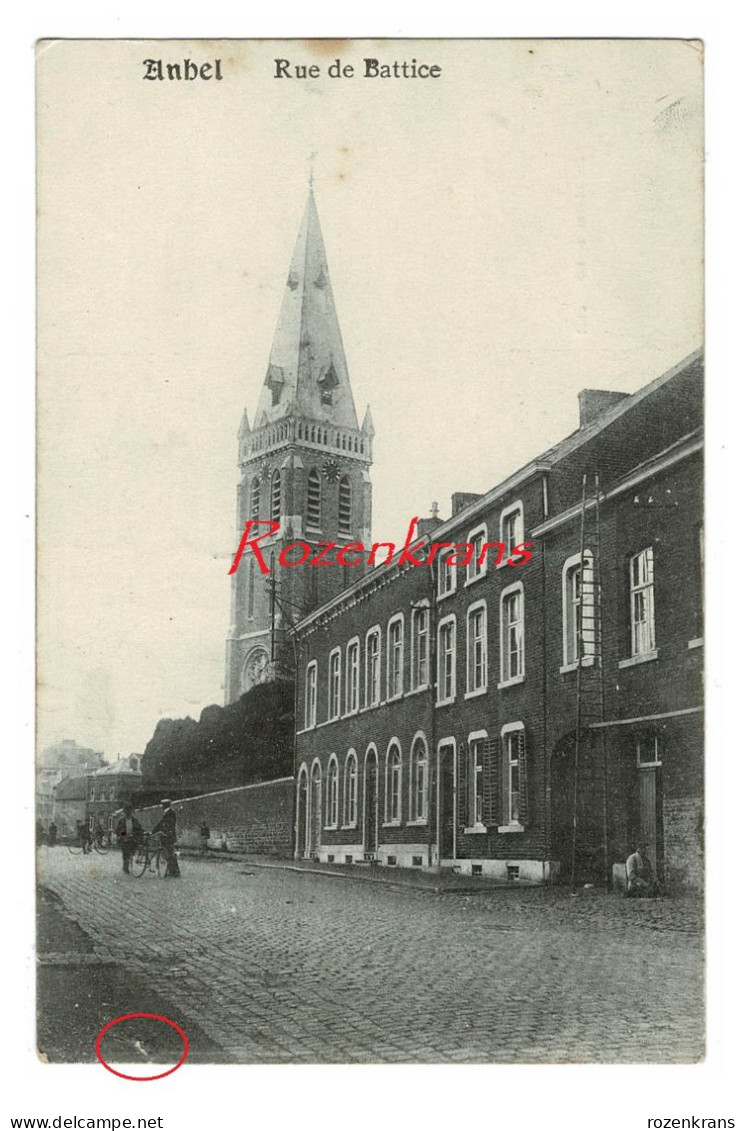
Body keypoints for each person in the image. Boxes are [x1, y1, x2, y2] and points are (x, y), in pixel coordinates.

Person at [152, 799, 180, 878]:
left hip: (169, 836)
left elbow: (170, 824)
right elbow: (161, 823)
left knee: (169, 854)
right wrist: (153, 831)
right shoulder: (167, 813)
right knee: (168, 854)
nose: (161, 806)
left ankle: (174, 872)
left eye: (163, 804)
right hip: (166, 836)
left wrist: (166, 831)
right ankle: (173, 872)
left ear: (166, 805)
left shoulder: (171, 813)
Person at [115, 804, 143, 874]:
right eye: (127, 812)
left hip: (133, 839)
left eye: (129, 812)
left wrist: (139, 833)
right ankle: (126, 866)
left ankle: (128, 860)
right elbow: (118, 830)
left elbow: (139, 828)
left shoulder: (135, 820)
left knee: (131, 852)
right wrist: (123, 835)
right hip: (124, 839)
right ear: (125, 813)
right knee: (125, 853)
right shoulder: (122, 821)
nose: (128, 813)